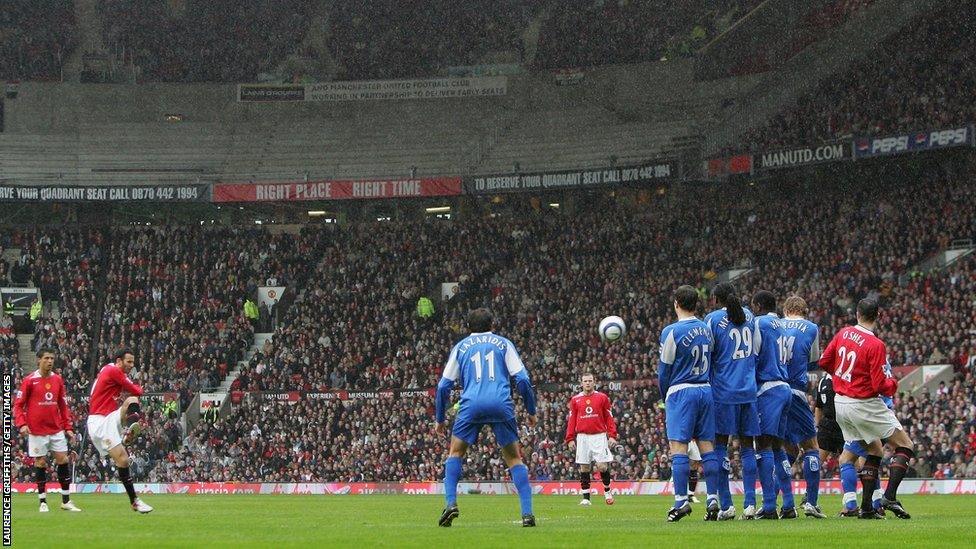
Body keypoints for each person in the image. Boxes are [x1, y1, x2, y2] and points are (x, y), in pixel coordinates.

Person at [434, 308, 537, 527]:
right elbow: (523, 380)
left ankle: (451, 503)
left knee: (456, 452)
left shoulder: (460, 347)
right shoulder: (503, 343)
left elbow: (443, 386)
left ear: (468, 326)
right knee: (513, 458)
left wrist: (440, 418)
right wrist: (531, 411)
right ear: (492, 324)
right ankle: (527, 514)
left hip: (471, 404)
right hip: (501, 403)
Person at [818, 299, 914, 519]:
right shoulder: (876, 344)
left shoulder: (843, 333)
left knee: (874, 451)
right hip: (863, 403)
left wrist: (844, 376)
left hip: (841, 403)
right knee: (906, 444)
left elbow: (824, 361)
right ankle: (889, 496)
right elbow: (881, 385)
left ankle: (867, 508)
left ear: (857, 313)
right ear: (878, 316)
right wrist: (894, 383)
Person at [659, 285, 721, 522]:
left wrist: (666, 396)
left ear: (676, 303)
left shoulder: (671, 332)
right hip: (705, 390)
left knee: (679, 449)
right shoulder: (706, 329)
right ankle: (713, 498)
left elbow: (664, 370)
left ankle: (680, 502)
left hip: (681, 391)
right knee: (707, 448)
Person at [704, 282, 758, 520]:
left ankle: (726, 505)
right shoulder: (749, 315)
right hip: (748, 390)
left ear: (716, 299)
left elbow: (708, 354)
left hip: (723, 392)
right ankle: (750, 504)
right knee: (748, 448)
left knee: (719, 448)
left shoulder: (713, 319)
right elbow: (756, 349)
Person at [14, 347, 82, 512]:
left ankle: (66, 501)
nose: (50, 361)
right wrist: (22, 423)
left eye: (52, 358)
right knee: (41, 462)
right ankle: (43, 502)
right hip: (36, 431)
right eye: (46, 358)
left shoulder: (58, 380)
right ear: (39, 360)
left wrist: (68, 427)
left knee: (63, 460)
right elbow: (18, 405)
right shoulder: (30, 380)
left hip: (55, 429)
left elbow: (63, 406)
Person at [87, 348, 153, 514]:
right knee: (132, 398)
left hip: (108, 417)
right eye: (128, 362)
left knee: (123, 461)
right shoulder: (114, 371)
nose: (132, 365)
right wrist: (138, 386)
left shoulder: (107, 368)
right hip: (100, 422)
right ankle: (135, 501)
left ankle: (128, 429)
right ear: (119, 361)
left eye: (133, 362)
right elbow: (137, 391)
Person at [780, 295, 825, 518]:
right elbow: (813, 359)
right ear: (803, 310)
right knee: (811, 447)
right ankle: (811, 502)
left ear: (785, 309)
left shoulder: (775, 325)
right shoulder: (810, 327)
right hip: (796, 391)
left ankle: (781, 503)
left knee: (787, 449)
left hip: (774, 391)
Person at [751, 290, 795, 519]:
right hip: (784, 387)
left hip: (767, 388)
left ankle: (769, 507)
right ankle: (789, 504)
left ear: (758, 305)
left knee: (763, 446)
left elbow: (753, 355)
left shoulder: (759, 323)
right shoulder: (783, 324)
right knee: (779, 448)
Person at [565, 372, 618, 506]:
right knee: (584, 467)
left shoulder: (602, 398)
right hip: (582, 437)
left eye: (590, 381)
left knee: (601, 466)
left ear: (594, 382)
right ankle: (586, 498)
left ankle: (607, 491)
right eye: (585, 381)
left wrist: (612, 435)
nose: (587, 383)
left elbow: (609, 417)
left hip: (599, 436)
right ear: (581, 383)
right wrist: (570, 438)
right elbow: (571, 420)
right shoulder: (575, 400)